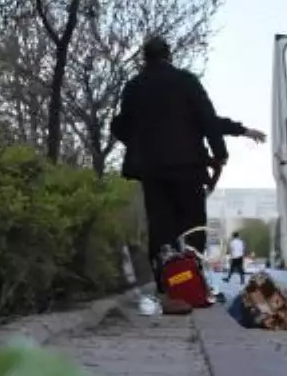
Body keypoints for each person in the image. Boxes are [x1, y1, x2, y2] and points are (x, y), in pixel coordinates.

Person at [113, 36, 264, 294]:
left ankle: (167, 284)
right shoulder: (187, 82)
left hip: (153, 170)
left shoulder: (134, 87)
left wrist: (138, 146)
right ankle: (189, 282)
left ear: (144, 58)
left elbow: (120, 126)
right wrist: (220, 153)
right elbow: (208, 119)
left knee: (160, 227)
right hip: (188, 168)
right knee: (192, 226)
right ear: (169, 55)